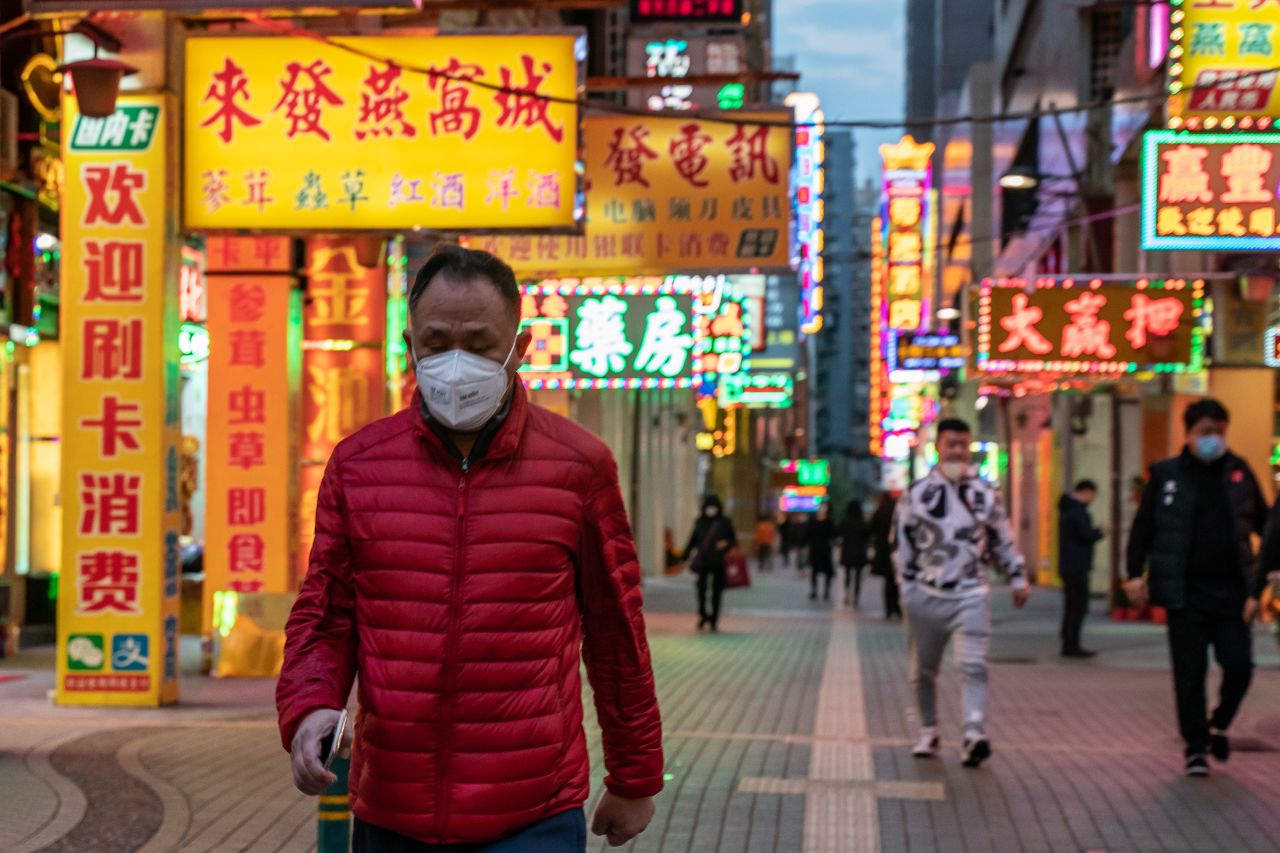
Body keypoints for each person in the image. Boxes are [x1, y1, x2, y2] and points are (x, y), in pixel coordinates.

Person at [276, 245, 663, 851]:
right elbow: (326, 614)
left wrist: (635, 776)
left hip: (533, 810)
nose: (455, 363)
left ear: (521, 347)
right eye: (435, 342)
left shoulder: (579, 466)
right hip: (391, 810)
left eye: (480, 345)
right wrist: (309, 707)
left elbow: (616, 631)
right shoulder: (359, 465)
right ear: (409, 345)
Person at [1125, 398, 1269, 777]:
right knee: (1189, 675)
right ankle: (1195, 748)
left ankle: (1218, 723)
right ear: (1188, 435)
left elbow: (1266, 526)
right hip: (1184, 594)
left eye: (1219, 432)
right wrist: (1134, 574)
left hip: (1232, 594)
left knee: (1239, 665)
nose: (1213, 440)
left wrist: (1268, 573)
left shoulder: (1239, 472)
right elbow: (1143, 528)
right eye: (1205, 433)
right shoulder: (1166, 475)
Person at [894, 418, 1029, 768]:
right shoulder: (916, 494)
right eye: (950, 444)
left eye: (962, 445)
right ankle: (928, 730)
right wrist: (906, 588)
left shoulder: (986, 494)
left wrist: (1017, 576)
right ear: (937, 447)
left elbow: (1002, 536)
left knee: (973, 665)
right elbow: (902, 544)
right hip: (925, 593)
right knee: (922, 671)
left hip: (970, 592)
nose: (957, 451)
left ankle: (973, 732)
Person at [1058, 479, 1104, 658]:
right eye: (1092, 494)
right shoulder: (1077, 512)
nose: (1092, 498)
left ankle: (1068, 642)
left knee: (1071, 605)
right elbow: (1086, 535)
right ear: (1085, 492)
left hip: (1069, 565)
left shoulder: (1068, 509)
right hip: (1077, 566)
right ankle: (1072, 644)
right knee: (1078, 605)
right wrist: (1099, 532)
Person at [684, 495, 737, 632]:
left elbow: (733, 540)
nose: (711, 509)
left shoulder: (724, 522)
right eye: (709, 506)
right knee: (701, 589)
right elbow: (692, 540)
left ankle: (714, 619)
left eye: (713, 506)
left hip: (719, 561)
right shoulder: (699, 521)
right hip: (703, 561)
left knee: (716, 592)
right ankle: (703, 614)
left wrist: (725, 544)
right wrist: (683, 556)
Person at [870, 492, 902, 619]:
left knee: (888, 581)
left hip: (883, 551)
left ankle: (889, 609)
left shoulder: (880, 512)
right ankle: (897, 608)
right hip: (897, 550)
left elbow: (871, 528)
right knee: (897, 581)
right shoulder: (899, 511)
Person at [840, 500, 870, 607]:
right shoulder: (862, 523)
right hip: (859, 552)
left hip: (847, 551)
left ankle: (847, 595)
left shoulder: (846, 521)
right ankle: (856, 598)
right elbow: (868, 535)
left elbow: (839, 532)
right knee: (858, 576)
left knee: (847, 575)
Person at [807, 504, 838, 601]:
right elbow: (834, 534)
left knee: (817, 572)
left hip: (818, 549)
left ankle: (819, 591)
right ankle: (822, 592)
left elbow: (807, 534)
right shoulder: (828, 522)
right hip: (822, 549)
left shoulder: (816, 522)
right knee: (821, 572)